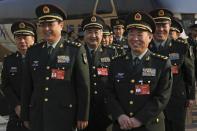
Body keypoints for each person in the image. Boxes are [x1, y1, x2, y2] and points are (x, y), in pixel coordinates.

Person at [20, 4, 90, 131]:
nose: (46, 29)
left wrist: (82, 116)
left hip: (64, 116)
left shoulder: (74, 50)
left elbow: (83, 87)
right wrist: (25, 116)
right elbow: (27, 87)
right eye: (43, 25)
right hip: (38, 115)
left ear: (61, 25)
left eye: (50, 24)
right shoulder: (33, 51)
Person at [106, 11, 173, 131]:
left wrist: (139, 119)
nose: (135, 39)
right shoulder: (116, 62)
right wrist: (119, 115)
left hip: (149, 125)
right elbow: (110, 93)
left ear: (150, 37)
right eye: (131, 34)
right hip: (122, 125)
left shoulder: (161, 63)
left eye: (140, 34)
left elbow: (162, 97)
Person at [149, 8, 195, 131]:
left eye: (164, 25)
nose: (160, 29)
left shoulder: (181, 47)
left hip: (176, 99)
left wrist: (190, 96)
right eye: (157, 25)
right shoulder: (145, 47)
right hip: (151, 100)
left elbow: (189, 72)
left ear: (169, 26)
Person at [81, 15, 117, 131]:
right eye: (89, 32)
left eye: (96, 32)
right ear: (84, 34)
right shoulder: (77, 52)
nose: (93, 36)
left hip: (107, 110)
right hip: (85, 111)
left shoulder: (111, 52)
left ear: (102, 34)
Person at [1, 21, 36, 131]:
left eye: (25, 37)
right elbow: (5, 86)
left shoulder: (42, 59)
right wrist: (16, 105)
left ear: (33, 39)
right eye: (18, 37)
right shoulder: (8, 61)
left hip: (37, 112)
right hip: (16, 115)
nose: (22, 41)